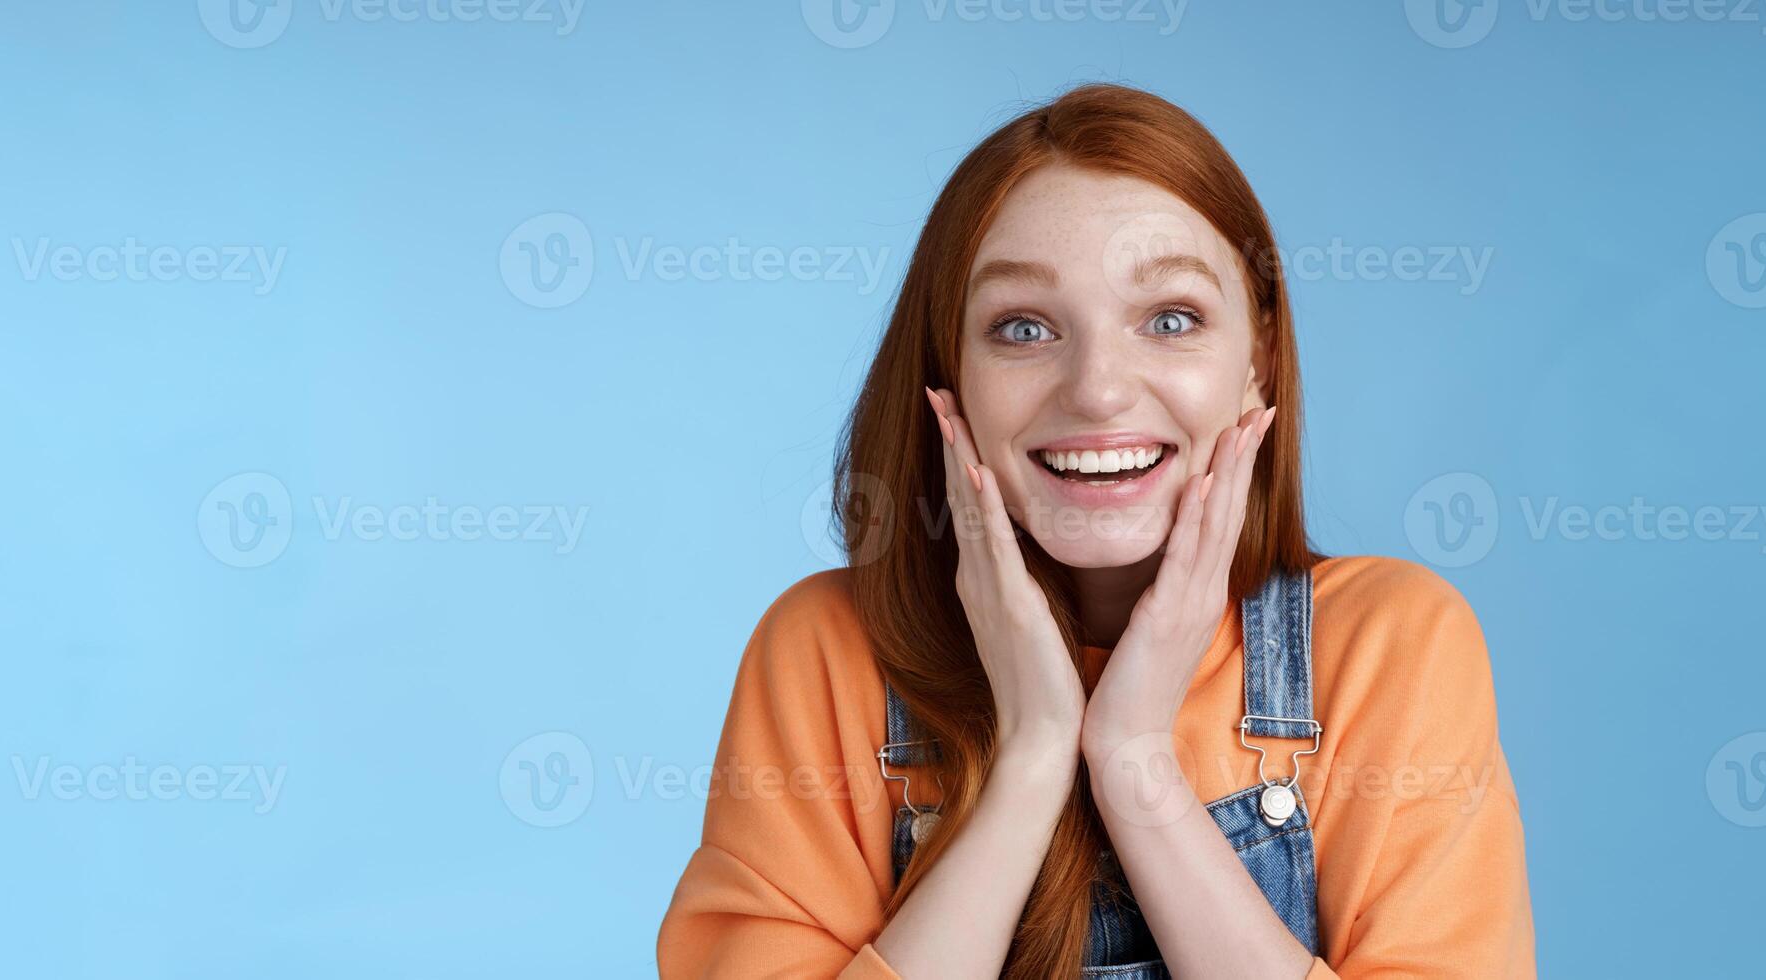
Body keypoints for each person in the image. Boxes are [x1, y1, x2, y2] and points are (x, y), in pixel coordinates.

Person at [656, 83, 1535, 979]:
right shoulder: (828, 652)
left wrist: (1133, 759)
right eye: (1024, 328)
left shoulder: (1393, 645)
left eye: (1170, 319)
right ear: (947, 368)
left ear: (1257, 362)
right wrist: (1035, 755)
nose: (1099, 390)